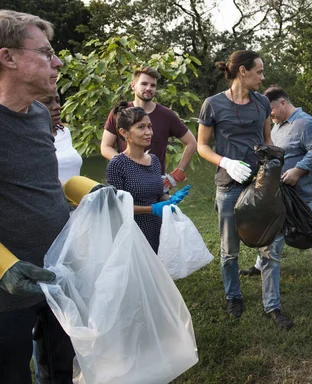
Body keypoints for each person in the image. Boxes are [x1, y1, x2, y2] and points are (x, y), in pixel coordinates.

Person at [0, 10, 110, 383]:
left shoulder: (36, 115)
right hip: (7, 295)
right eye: (46, 52)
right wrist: (2, 265)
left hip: (57, 276)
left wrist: (91, 191)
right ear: (8, 57)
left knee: (60, 370)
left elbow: (47, 182)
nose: (58, 60)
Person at [196, 50, 293, 329]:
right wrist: (225, 161)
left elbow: (267, 139)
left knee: (270, 246)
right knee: (229, 250)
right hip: (228, 186)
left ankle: (272, 305)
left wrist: (273, 165)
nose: (263, 77)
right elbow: (202, 146)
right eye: (259, 72)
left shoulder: (262, 102)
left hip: (259, 185)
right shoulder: (212, 105)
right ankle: (233, 296)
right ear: (242, 71)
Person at [238, 85, 312, 284]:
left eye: (271, 111)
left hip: (304, 192)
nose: (270, 116)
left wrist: (298, 170)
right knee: (271, 228)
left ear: (283, 103)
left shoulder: (305, 123)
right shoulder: (277, 126)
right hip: (280, 192)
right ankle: (261, 265)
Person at [106, 102, 190, 253]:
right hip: (132, 235)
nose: (148, 132)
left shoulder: (154, 160)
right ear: (124, 133)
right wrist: (151, 209)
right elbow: (117, 208)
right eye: (141, 127)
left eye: (149, 126)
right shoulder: (117, 165)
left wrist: (169, 200)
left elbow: (158, 195)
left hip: (157, 231)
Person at [100, 66, 197, 189]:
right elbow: (105, 147)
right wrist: (127, 165)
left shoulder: (167, 115)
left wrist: (177, 174)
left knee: (160, 207)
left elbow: (192, 143)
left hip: (156, 184)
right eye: (144, 84)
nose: (148, 88)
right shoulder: (121, 113)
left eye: (153, 85)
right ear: (133, 86)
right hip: (125, 181)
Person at [37, 92, 82, 185]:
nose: (57, 106)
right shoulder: (28, 138)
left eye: (57, 101)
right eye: (47, 102)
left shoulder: (64, 132)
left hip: (76, 198)